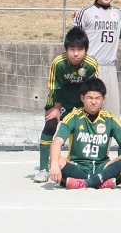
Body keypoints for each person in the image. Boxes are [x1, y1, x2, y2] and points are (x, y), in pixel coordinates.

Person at [35, 26, 100, 183]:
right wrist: (57, 108)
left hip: (81, 99)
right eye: (72, 49)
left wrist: (89, 106)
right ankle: (43, 169)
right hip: (60, 98)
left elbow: (93, 88)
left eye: (80, 49)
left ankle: (83, 164)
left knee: (85, 128)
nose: (76, 53)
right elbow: (56, 87)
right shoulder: (59, 63)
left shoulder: (91, 64)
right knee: (50, 124)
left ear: (86, 50)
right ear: (66, 49)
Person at [48, 78, 121, 189]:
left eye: (97, 98)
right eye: (89, 98)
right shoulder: (73, 117)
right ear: (82, 98)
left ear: (103, 99)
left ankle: (84, 183)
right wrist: (54, 165)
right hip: (78, 166)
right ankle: (99, 182)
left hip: (102, 167)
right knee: (55, 161)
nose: (93, 102)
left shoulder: (110, 119)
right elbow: (56, 142)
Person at [73, 0, 121, 117]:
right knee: (86, 112)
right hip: (90, 67)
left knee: (111, 114)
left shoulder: (119, 14)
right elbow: (74, 41)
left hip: (110, 68)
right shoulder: (85, 13)